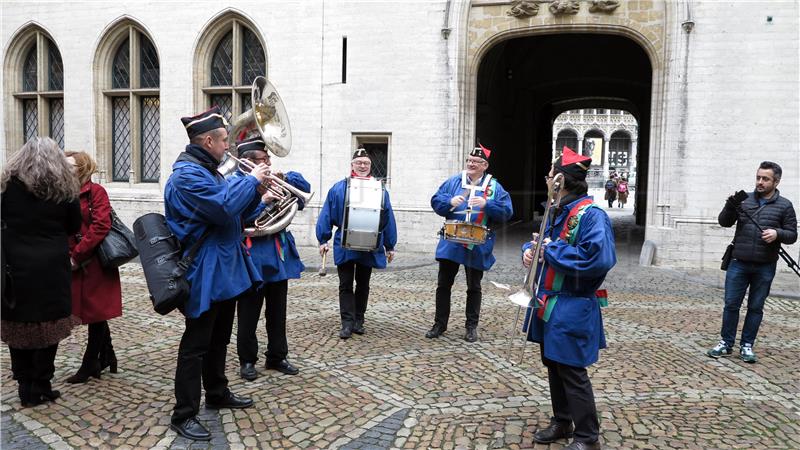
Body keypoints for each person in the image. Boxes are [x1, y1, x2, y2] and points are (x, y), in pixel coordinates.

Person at [165, 106, 270, 441]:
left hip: (225, 267)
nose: (228, 146)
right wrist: (251, 180)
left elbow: (232, 214)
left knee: (220, 338)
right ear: (208, 140)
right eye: (224, 140)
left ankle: (217, 391)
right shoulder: (187, 175)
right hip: (204, 270)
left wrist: (260, 194)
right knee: (196, 343)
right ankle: (184, 413)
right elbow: (222, 205)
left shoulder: (210, 170)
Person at [521, 146, 616, 450]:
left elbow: (597, 260)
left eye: (550, 174)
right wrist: (530, 249)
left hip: (571, 304)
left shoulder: (592, 216)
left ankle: (588, 438)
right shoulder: (556, 210)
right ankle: (563, 421)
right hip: (548, 301)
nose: (546, 178)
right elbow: (544, 241)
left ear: (560, 179)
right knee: (552, 363)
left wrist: (550, 250)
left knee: (572, 371)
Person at [1, 137, 82, 407]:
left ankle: (25, 384)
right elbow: (73, 226)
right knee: (50, 326)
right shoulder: (64, 188)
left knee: (18, 325)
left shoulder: (6, 187)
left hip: (14, 266)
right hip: (51, 266)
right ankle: (42, 383)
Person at [234, 136, 310, 380]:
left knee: (278, 311)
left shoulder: (271, 180)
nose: (267, 163)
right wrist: (263, 201)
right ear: (247, 162)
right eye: (262, 160)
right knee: (248, 314)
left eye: (268, 159)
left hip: (277, 256)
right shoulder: (237, 183)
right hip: (252, 257)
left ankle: (277, 356)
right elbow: (237, 217)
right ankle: (247, 361)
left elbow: (303, 194)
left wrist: (285, 179)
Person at [706, 161, 797, 363]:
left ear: (776, 181)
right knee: (731, 304)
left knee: (755, 307)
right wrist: (729, 206)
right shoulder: (744, 200)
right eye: (758, 177)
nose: (760, 182)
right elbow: (724, 222)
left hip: (765, 265)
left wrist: (777, 233)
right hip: (739, 262)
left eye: (765, 179)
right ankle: (725, 343)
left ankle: (747, 345)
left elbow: (792, 235)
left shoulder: (785, 205)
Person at [426, 144, 513, 342]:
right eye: (469, 161)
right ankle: (440, 323)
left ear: (485, 165)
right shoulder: (454, 181)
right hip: (452, 242)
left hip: (477, 244)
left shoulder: (494, 187)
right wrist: (449, 202)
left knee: (474, 286)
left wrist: (487, 204)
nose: (471, 164)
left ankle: (471, 326)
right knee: (443, 284)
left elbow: (507, 212)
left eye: (475, 162)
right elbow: (436, 201)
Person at [316, 148, 397, 339]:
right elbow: (327, 212)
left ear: (370, 166)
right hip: (344, 243)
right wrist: (323, 239)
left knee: (363, 284)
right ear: (352, 165)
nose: (362, 166)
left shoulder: (380, 189)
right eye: (358, 162)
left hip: (370, 244)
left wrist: (390, 245)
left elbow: (388, 216)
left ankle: (359, 320)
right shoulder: (339, 188)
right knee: (345, 284)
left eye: (366, 163)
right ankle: (346, 323)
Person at [63, 151, 123, 384]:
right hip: (74, 260)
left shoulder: (96, 191)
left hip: (96, 261)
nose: (64, 169)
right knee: (91, 312)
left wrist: (77, 254)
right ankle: (107, 355)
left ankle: (90, 363)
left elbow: (101, 226)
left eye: (69, 166)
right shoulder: (64, 193)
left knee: (96, 313)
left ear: (81, 169)